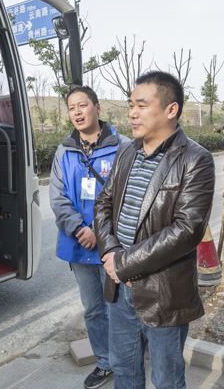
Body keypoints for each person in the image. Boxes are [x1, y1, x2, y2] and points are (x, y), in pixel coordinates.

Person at [94, 71, 215, 389]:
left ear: (171, 109)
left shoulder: (195, 159)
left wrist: (123, 262)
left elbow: (188, 229)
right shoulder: (127, 151)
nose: (132, 113)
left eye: (142, 105)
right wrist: (110, 252)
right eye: (130, 105)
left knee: (166, 379)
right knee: (123, 370)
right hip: (119, 287)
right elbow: (103, 203)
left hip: (163, 292)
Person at [50, 86, 128, 389]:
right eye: (72, 108)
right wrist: (79, 229)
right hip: (79, 244)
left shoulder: (122, 146)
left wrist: (98, 231)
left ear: (97, 107)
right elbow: (57, 197)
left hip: (112, 244)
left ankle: (126, 360)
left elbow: (127, 196)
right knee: (93, 308)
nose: (77, 112)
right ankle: (106, 362)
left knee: (120, 307)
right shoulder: (64, 150)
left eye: (82, 105)